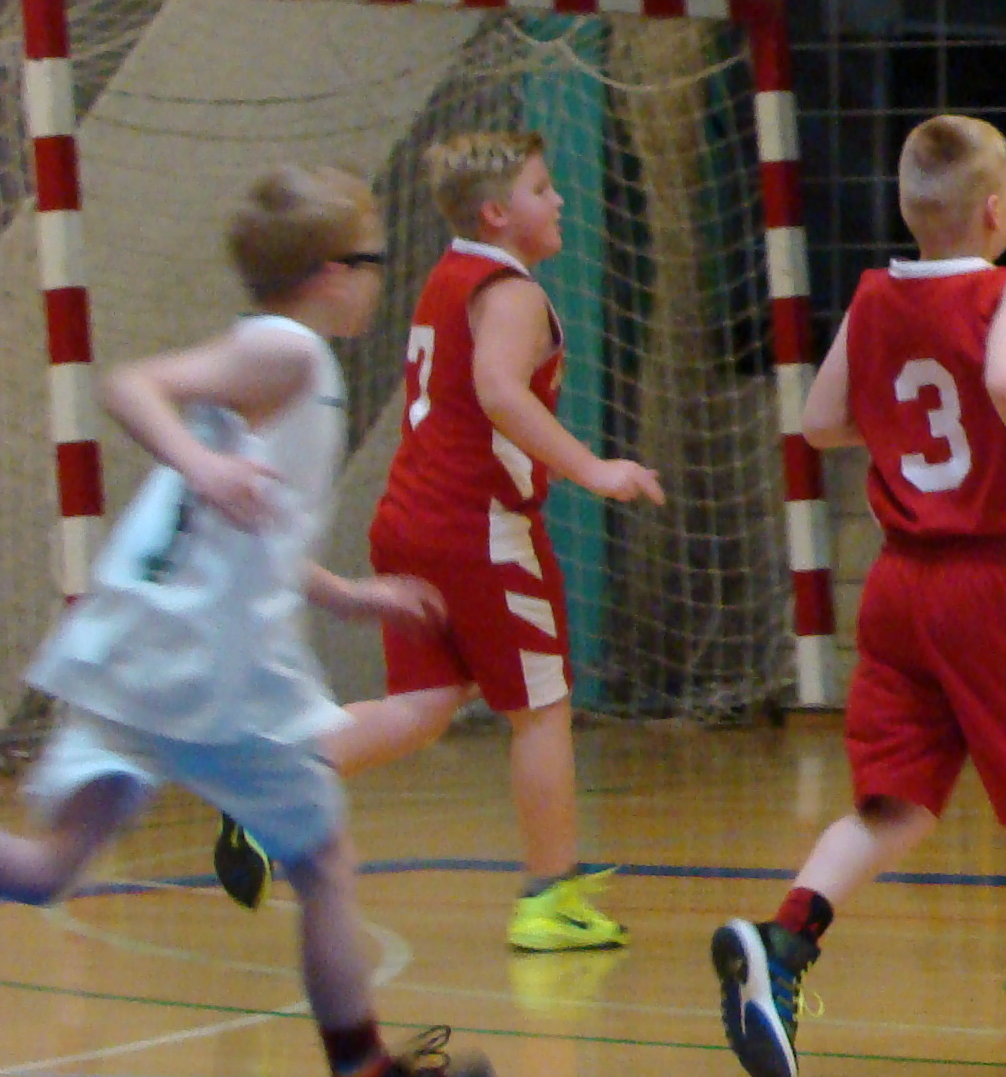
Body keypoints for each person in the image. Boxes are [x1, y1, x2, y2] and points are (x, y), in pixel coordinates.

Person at [0, 167, 492, 1077]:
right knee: (322, 862)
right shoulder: (287, 351)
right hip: (205, 672)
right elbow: (132, 385)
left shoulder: (282, 364)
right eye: (371, 262)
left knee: (48, 871)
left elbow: (246, 532)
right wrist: (202, 462)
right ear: (327, 273)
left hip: (140, 648)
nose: (377, 280)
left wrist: (343, 593)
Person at [711, 113, 1006, 1077]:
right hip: (993, 578)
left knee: (896, 803)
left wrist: (910, 431)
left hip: (898, 580)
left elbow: (820, 421)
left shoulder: (876, 295)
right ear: (996, 210)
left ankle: (783, 944)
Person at [215, 131, 667, 949]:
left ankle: (272, 775)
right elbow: (499, 392)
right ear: (497, 212)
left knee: (421, 706)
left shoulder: (449, 274)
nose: (559, 199)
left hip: (411, 519)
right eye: (541, 188)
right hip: (479, 528)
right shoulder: (511, 291)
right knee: (542, 710)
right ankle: (550, 898)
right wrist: (592, 469)